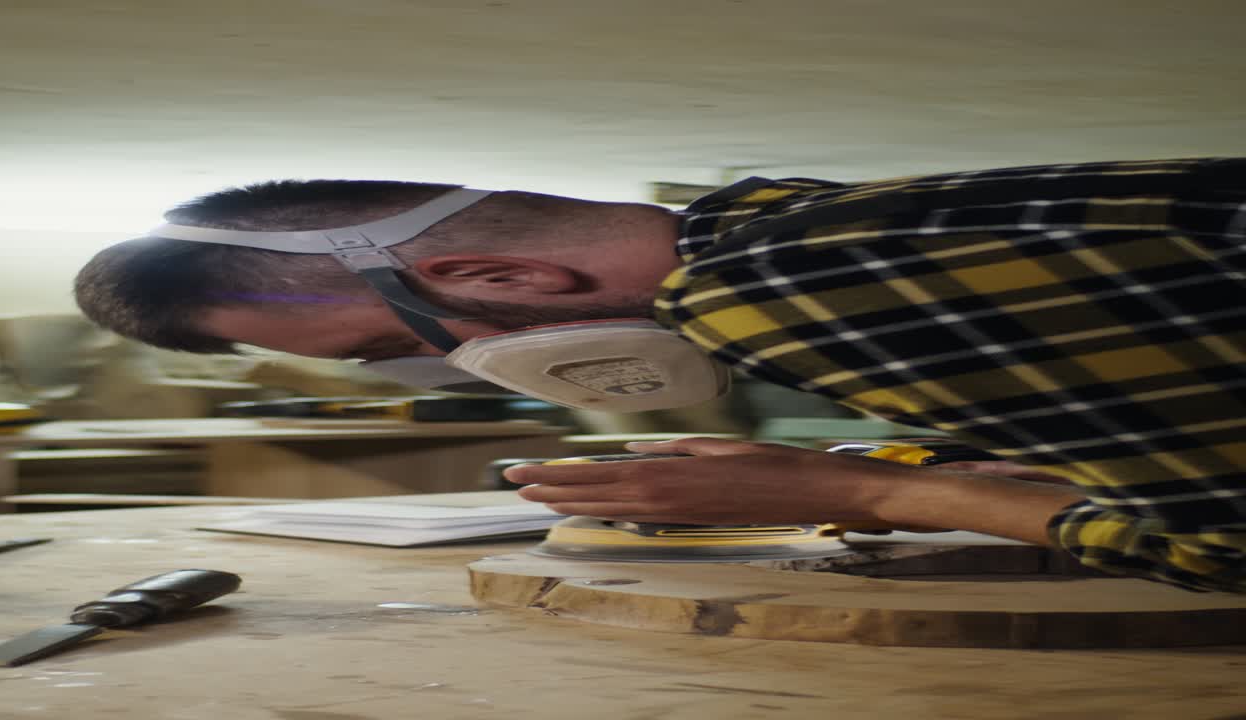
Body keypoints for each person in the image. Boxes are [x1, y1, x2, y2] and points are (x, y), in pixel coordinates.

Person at [75, 157, 1246, 593]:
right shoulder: (779, 219)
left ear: (512, 281)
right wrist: (988, 462)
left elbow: (1222, 550)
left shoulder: (759, 296)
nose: (461, 367)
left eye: (397, 343)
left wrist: (861, 496)